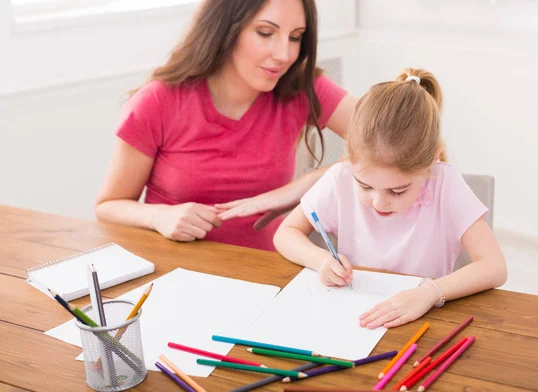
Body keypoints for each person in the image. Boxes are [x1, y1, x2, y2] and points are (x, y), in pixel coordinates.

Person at [95, 0, 355, 251]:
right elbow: (108, 207)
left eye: (296, 37)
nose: (283, 54)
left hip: (265, 271)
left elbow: (391, 140)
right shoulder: (158, 101)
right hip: (176, 272)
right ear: (225, 28)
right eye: (265, 33)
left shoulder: (301, 88)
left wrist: (303, 185)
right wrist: (159, 216)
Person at [273, 68, 507, 329]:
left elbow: (494, 266)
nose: (378, 203)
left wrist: (430, 293)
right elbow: (286, 233)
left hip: (425, 323)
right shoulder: (340, 177)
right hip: (354, 318)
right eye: (364, 185)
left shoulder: (445, 185)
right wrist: (321, 260)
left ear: (432, 162)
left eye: (397, 191)